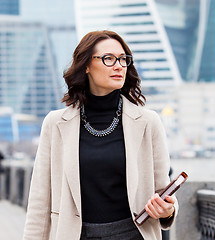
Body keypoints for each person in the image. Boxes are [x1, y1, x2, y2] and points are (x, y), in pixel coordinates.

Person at [23, 30, 178, 240]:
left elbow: (162, 190)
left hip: (133, 234)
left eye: (124, 59)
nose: (119, 66)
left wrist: (167, 210)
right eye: (108, 59)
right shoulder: (56, 124)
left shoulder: (148, 122)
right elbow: (40, 202)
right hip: (74, 234)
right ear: (86, 65)